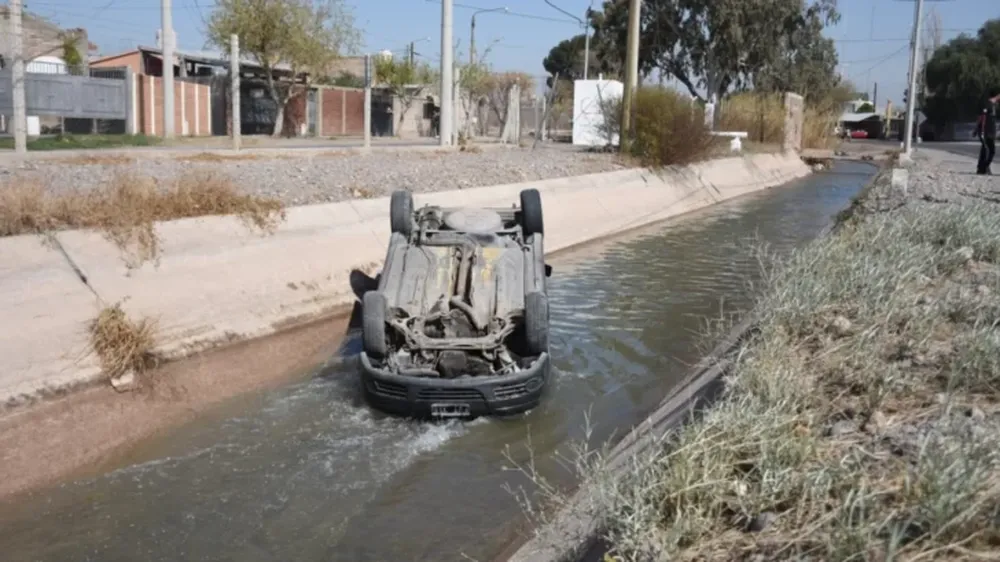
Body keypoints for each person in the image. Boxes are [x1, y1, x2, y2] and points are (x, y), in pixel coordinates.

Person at [975, 92, 1000, 175]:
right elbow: (983, 117)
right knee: (990, 150)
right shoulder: (988, 104)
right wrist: (981, 130)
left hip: (990, 131)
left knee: (985, 149)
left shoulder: (993, 105)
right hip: (986, 131)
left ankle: (981, 168)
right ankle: (984, 167)